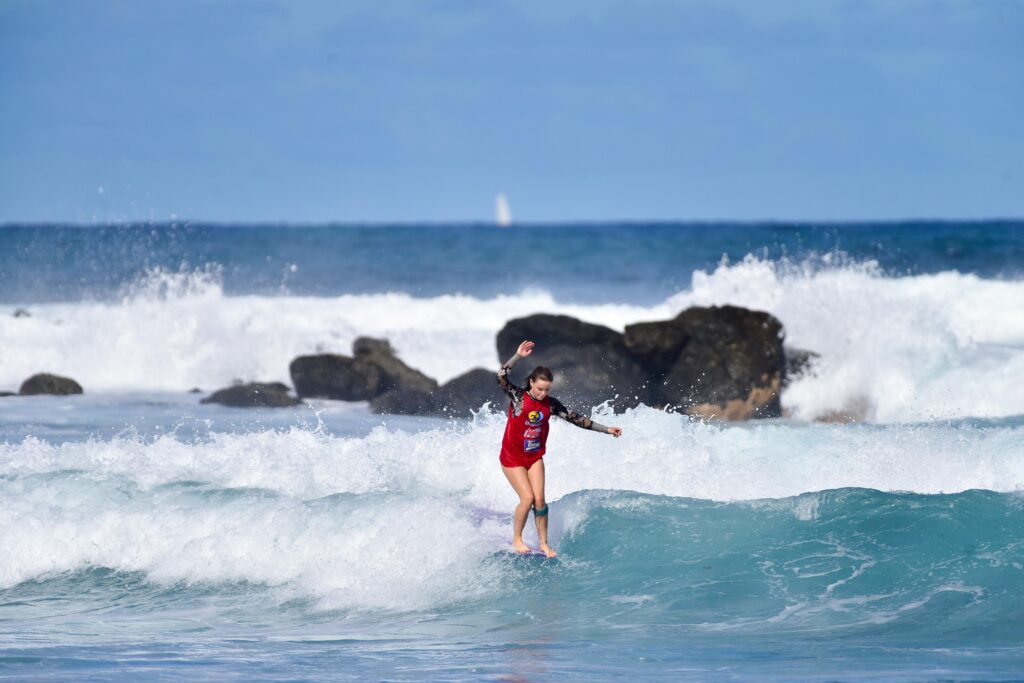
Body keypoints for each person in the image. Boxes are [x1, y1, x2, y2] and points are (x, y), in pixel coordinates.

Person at [497, 339, 623, 558]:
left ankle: (544, 543)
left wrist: (606, 429)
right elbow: (501, 376)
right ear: (530, 383)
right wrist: (517, 356)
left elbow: (577, 420)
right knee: (526, 499)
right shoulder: (518, 397)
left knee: (540, 501)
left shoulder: (551, 404)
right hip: (512, 458)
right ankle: (517, 539)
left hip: (534, 457)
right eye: (539, 389)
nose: (543, 394)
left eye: (547, 390)